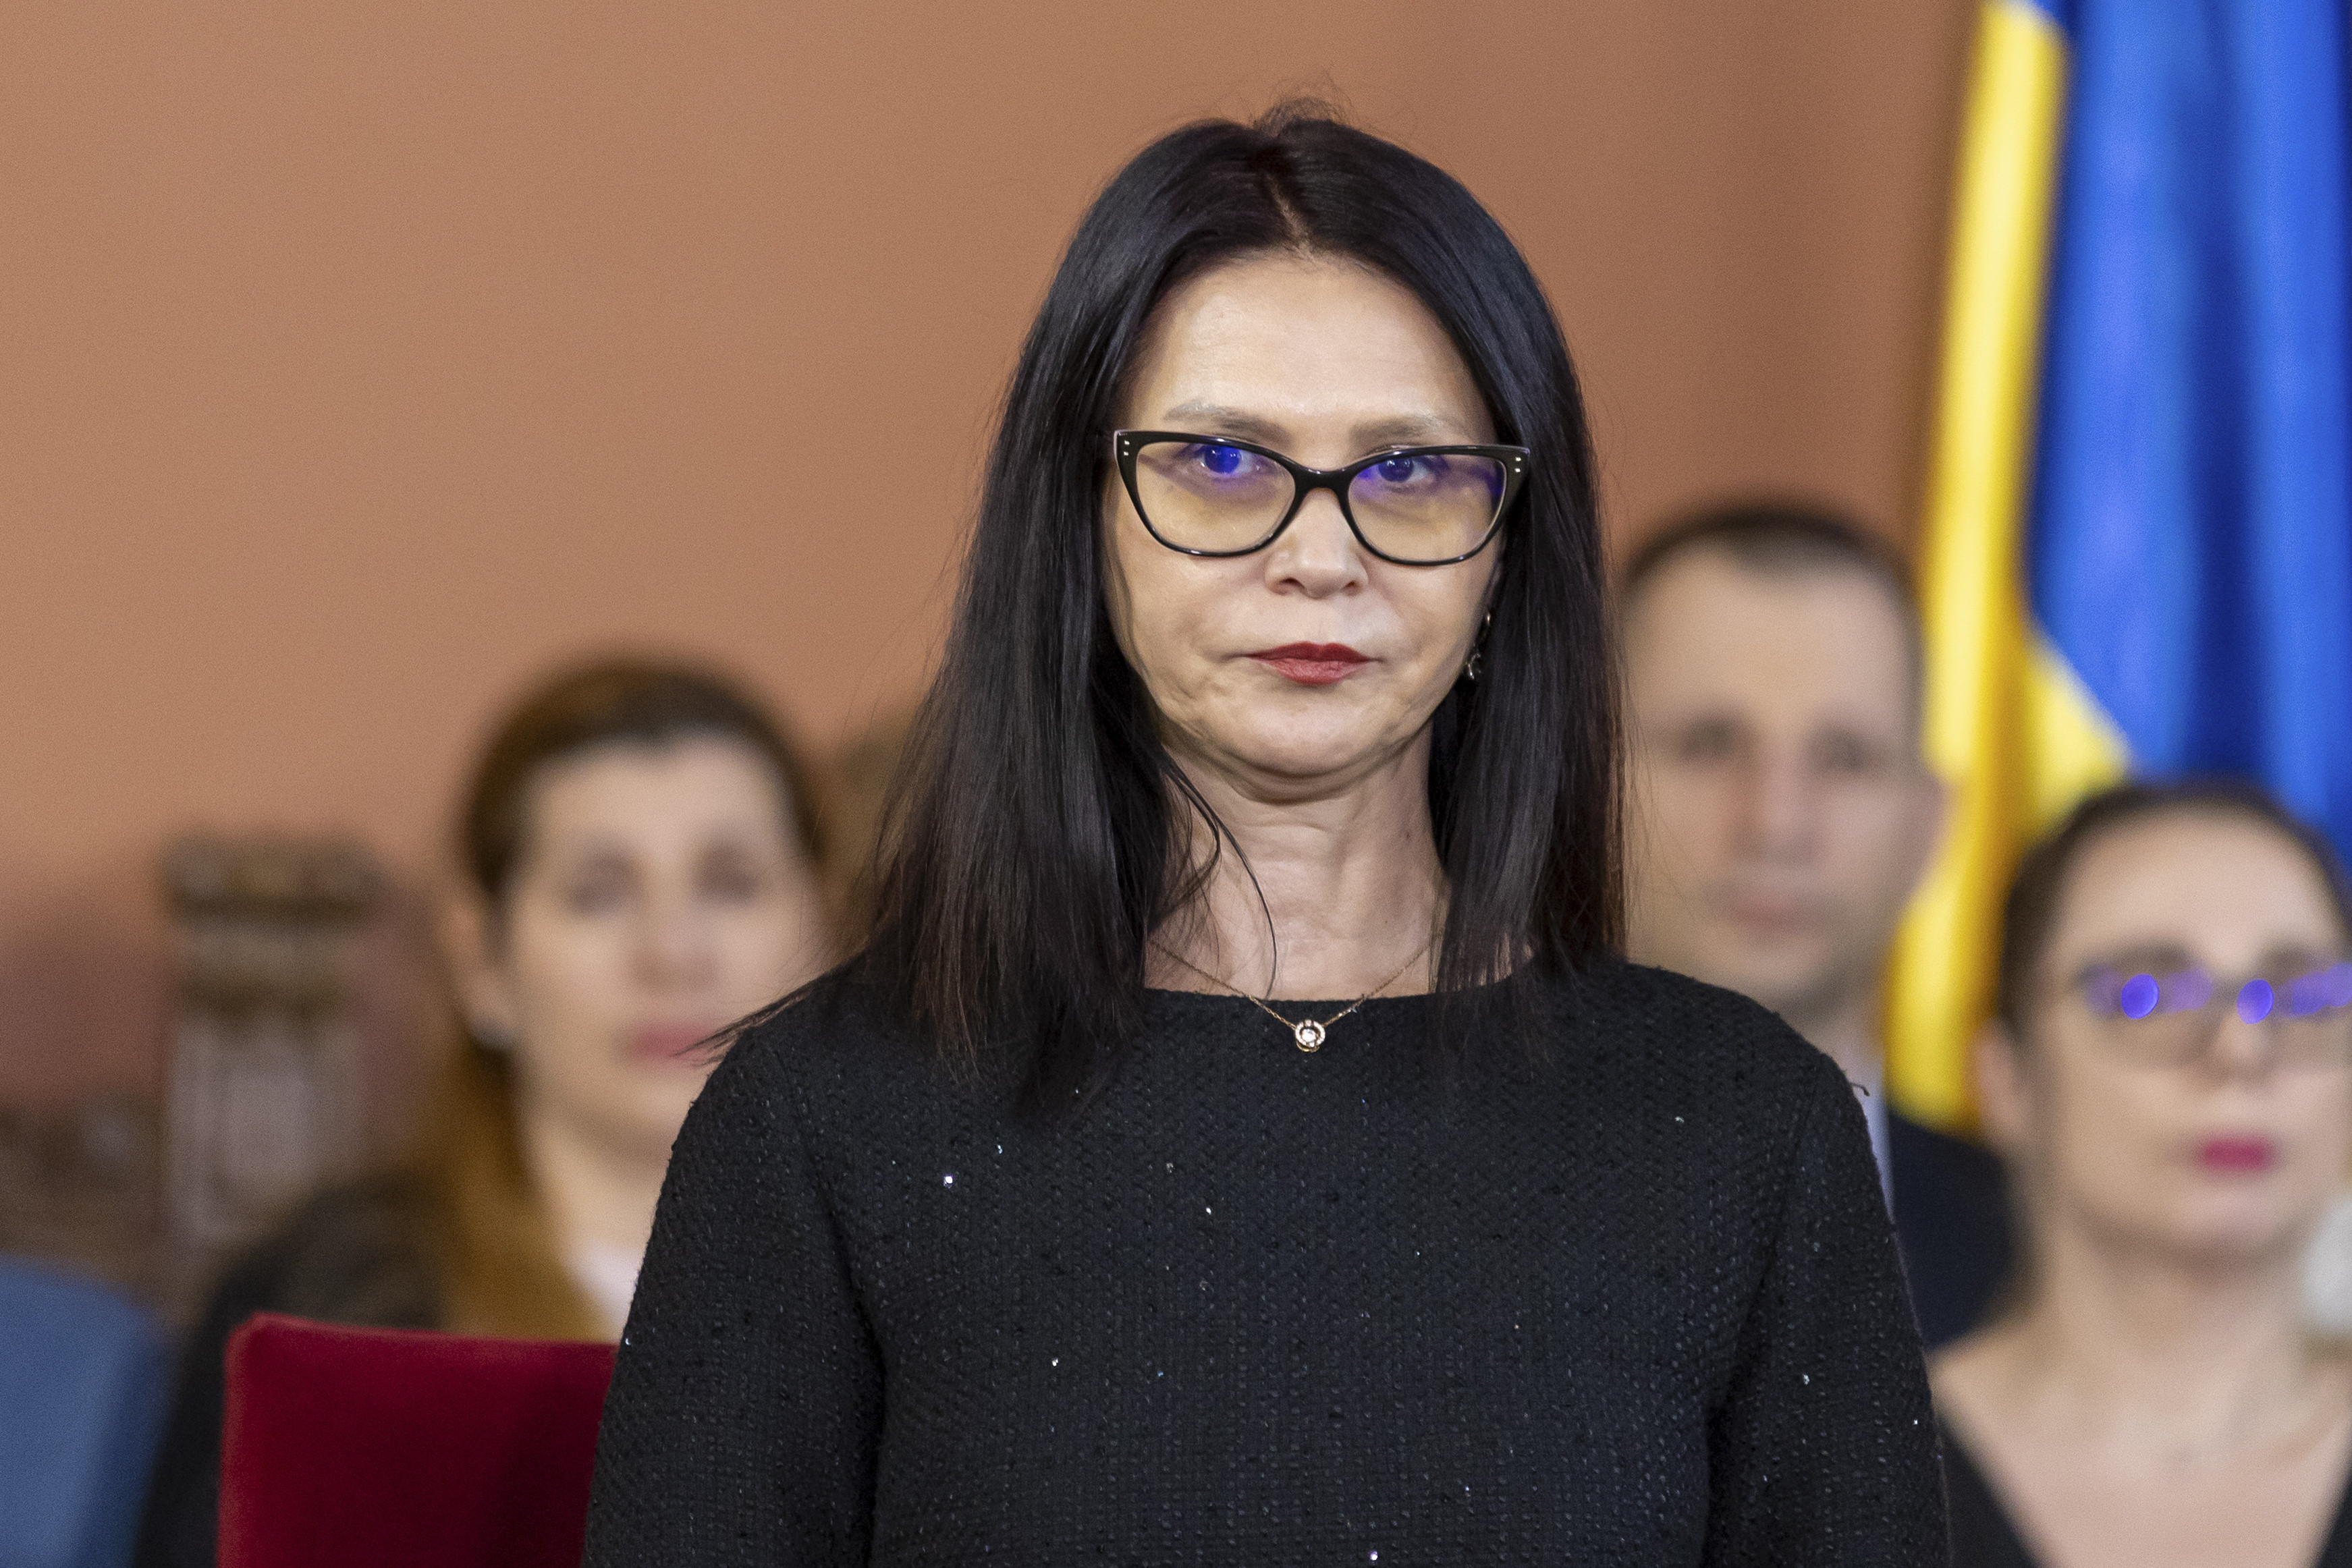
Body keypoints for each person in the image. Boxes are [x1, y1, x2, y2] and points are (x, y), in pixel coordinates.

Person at [586, 107, 1944, 1563]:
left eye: (1409, 471)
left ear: (1506, 550)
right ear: (1080, 519)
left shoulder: (1745, 1130)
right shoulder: (824, 1120)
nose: (1319, 554)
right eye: (1222, 461)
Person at [134, 658, 832, 1568]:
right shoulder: (326, 1304)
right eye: (598, 892)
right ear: (482, 960)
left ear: (829, 930)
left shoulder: (939, 1292)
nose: (672, 952)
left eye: (731, 882)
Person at [1619, 501, 2013, 1347]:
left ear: (1928, 827)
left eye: (1842, 759)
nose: (1776, 824)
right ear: (1582, 789)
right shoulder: (1423, 1204)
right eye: (1707, 744)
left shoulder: (2042, 1260)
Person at [1935, 782, 2352, 1568]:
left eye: (2298, 994)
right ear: (2005, 1077)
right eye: (2148, 992)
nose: (2240, 1051)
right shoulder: (1829, 1471)